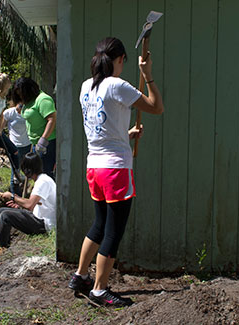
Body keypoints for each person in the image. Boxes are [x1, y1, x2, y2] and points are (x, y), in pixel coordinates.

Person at [68, 37, 163, 307]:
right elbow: (157, 107)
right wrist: (148, 76)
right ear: (120, 60)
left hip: (95, 166)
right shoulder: (117, 85)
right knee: (113, 231)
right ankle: (99, 289)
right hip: (115, 170)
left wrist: (126, 133)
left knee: (99, 224)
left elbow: (101, 123)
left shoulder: (86, 86)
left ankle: (80, 275)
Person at [0, 152, 56, 261]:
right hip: (38, 217)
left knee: (5, 216)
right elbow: (35, 203)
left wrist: (12, 197)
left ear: (27, 170)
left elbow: (30, 205)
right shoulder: (43, 179)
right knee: (1, 211)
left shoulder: (42, 182)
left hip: (44, 224)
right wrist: (19, 202)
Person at [11, 77, 56, 179]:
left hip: (47, 144)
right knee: (38, 173)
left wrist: (43, 140)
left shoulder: (43, 100)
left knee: (45, 174)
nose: (21, 97)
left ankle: (48, 194)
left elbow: (52, 119)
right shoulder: (29, 101)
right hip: (35, 143)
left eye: (22, 94)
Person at [0, 102, 32, 194]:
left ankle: (25, 192)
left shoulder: (29, 112)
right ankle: (14, 196)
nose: (19, 111)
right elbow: (0, 129)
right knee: (15, 172)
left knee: (27, 170)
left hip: (27, 145)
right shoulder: (9, 113)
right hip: (14, 146)